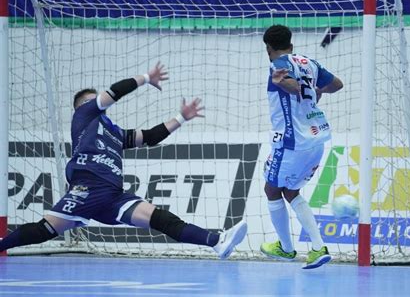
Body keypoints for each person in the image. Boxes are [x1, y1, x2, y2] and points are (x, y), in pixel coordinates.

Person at [0, 62, 247, 258]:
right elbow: (115, 92)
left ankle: (216, 241)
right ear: (80, 107)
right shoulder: (84, 116)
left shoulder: (114, 132)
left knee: (160, 218)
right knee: (45, 229)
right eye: (91, 99)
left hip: (113, 194)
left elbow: (149, 137)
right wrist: (146, 78)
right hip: (89, 186)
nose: (97, 102)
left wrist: (181, 118)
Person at [260, 25, 343, 269]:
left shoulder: (277, 64)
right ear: (291, 44)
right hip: (316, 139)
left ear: (268, 48)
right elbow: (337, 84)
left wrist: (284, 82)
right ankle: (317, 248)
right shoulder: (309, 62)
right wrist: (316, 90)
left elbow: (292, 86)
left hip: (291, 142)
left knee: (271, 190)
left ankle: (287, 249)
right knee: (290, 191)